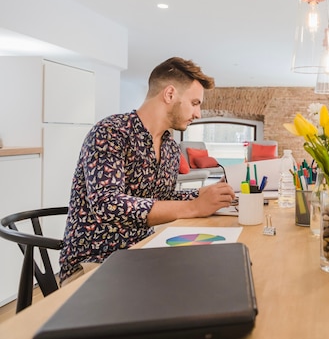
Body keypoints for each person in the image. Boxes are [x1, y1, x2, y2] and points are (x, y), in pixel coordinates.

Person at [59, 57, 236, 284]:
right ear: (170, 94)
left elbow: (162, 198)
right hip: (96, 263)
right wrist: (193, 207)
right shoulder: (111, 132)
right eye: (195, 103)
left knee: (213, 276)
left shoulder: (170, 147)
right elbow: (107, 204)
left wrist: (206, 195)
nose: (198, 114)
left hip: (143, 254)